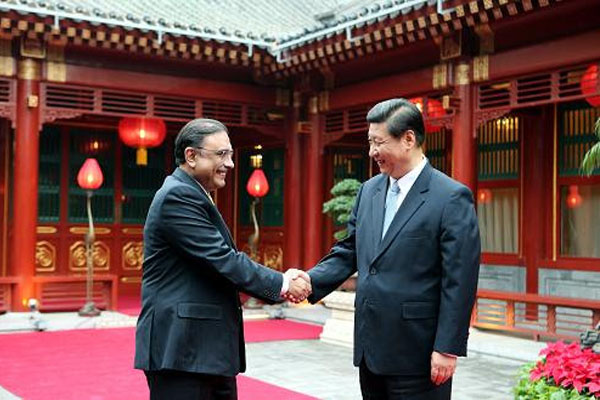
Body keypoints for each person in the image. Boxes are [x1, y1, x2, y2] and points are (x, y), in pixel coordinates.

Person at [306, 98, 480, 399]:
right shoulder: (369, 191)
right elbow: (350, 250)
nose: (372, 151)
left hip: (419, 353)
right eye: (370, 142)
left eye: (378, 142)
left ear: (408, 139)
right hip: (371, 349)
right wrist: (309, 281)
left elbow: (460, 279)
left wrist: (447, 348)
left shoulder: (450, 197)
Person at [134, 118, 311, 400]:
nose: (230, 163)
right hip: (183, 350)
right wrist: (283, 283)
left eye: (230, 154)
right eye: (221, 154)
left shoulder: (194, 193)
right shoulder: (177, 196)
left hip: (202, 349)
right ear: (191, 156)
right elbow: (222, 259)